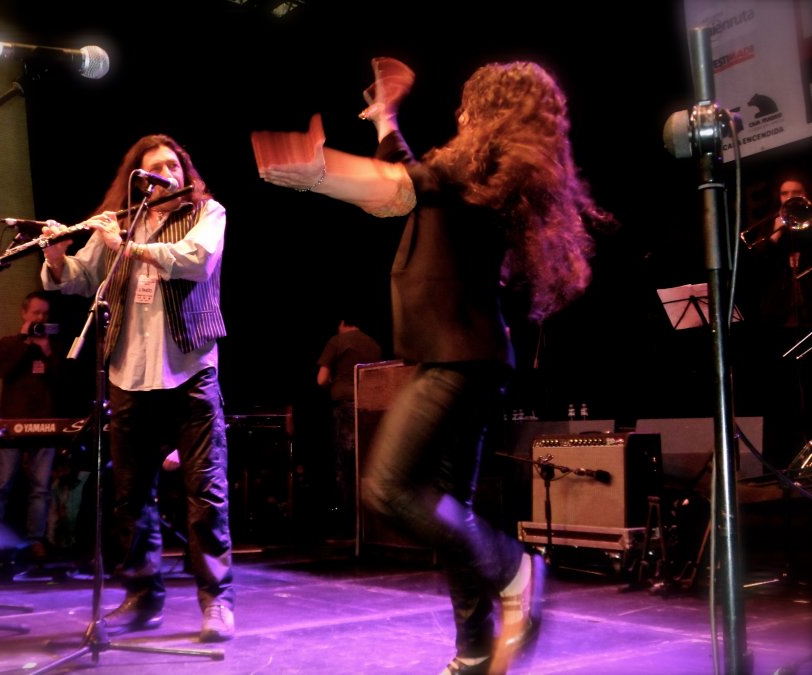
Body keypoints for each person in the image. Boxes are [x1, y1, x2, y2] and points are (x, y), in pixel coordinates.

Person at [254, 57, 612, 674]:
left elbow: (395, 188)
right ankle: (474, 652)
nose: (459, 114)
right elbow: (411, 174)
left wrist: (319, 173)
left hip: (457, 357)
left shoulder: (477, 173)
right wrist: (384, 119)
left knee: (387, 488)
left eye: (469, 105)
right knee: (447, 508)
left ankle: (516, 570)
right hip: (469, 355)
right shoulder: (479, 178)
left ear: (489, 112)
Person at [40, 134, 234, 643]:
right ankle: (143, 598)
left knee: (205, 494)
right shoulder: (119, 223)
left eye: (173, 165)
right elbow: (82, 277)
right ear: (139, 178)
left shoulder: (208, 212)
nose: (166, 173)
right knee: (129, 496)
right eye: (155, 168)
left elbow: (195, 260)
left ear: (185, 173)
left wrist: (126, 247)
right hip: (128, 373)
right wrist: (57, 257)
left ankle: (216, 601)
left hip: (190, 370)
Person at [0, 290, 65, 569]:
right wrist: (24, 341)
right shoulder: (8, 344)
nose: (40, 318)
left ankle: (35, 539)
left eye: (45, 314)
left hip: (45, 426)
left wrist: (46, 350)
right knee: (0, 486)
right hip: (12, 425)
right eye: (36, 313)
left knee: (40, 488)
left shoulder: (52, 347)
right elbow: (4, 370)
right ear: (24, 313)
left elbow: (63, 382)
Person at [742, 172, 812, 468]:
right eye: (785, 194)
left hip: (808, 322)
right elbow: (756, 272)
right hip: (779, 325)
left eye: (796, 192)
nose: (790, 198)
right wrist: (774, 236)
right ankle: (783, 461)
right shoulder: (772, 233)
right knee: (782, 397)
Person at [316, 314, 382, 537]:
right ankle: (369, 526)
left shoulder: (337, 341)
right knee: (366, 465)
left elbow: (321, 380)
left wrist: (333, 382)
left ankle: (351, 526)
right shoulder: (374, 344)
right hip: (370, 410)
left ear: (342, 322)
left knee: (345, 465)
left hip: (345, 407)